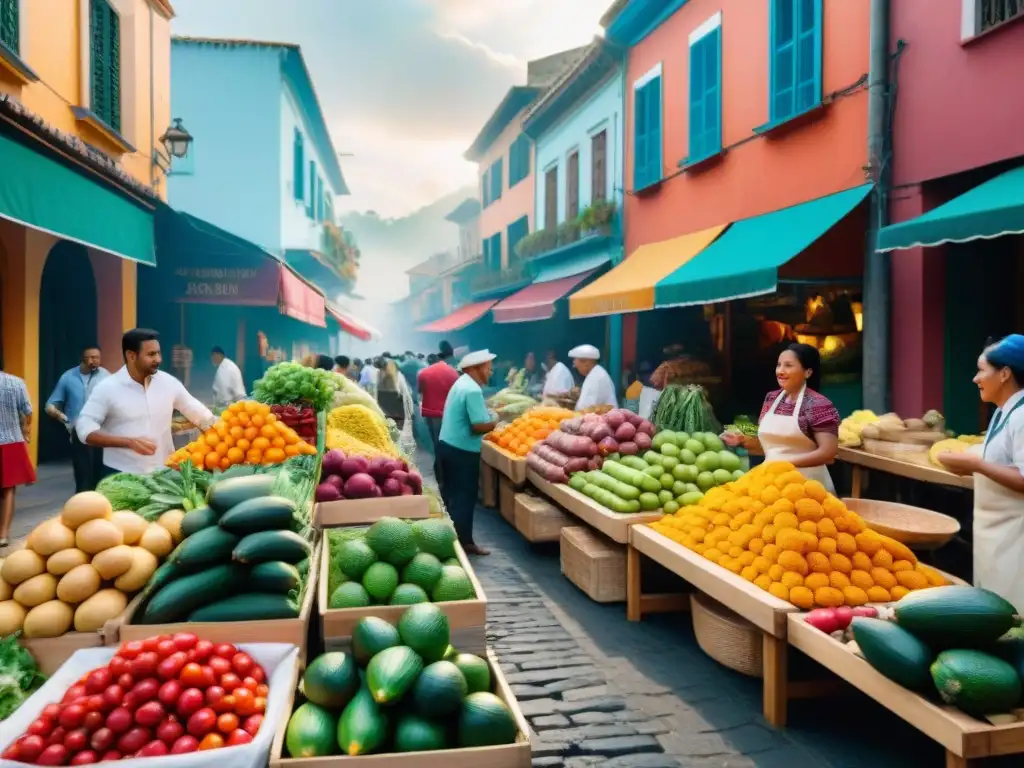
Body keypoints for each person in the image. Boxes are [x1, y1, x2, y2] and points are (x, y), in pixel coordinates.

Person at [938, 335, 1024, 608]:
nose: (976, 378)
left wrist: (977, 465)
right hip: (995, 536)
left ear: (1005, 374)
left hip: (1016, 537)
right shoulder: (1002, 412)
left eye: (981, 370)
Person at [77, 329, 216, 476]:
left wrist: (223, 428)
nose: (158, 359)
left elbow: (198, 413)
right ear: (131, 356)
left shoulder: (168, 383)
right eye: (151, 354)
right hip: (121, 475)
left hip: (164, 472)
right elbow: (84, 428)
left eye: (158, 353)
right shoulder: (108, 388)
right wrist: (127, 442)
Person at [721, 343, 839, 492]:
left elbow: (828, 453)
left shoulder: (819, 405)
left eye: (788, 365)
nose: (780, 371)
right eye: (778, 365)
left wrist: (783, 463)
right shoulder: (771, 398)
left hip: (809, 488)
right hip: (772, 484)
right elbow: (770, 447)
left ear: (808, 372)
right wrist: (742, 440)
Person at [439, 350, 498, 555]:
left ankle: (450, 542)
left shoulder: (461, 383)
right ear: (475, 369)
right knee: (464, 497)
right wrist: (496, 422)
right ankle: (463, 543)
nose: (490, 371)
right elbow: (478, 426)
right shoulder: (472, 390)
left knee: (453, 497)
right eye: (488, 367)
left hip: (448, 446)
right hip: (462, 451)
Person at [45, 345, 109, 493]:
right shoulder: (68, 377)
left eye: (97, 358)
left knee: (101, 475)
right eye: (90, 358)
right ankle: (82, 507)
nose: (94, 361)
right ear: (82, 358)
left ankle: (100, 506)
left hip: (102, 430)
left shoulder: (106, 376)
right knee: (83, 474)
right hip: (79, 431)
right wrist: (61, 417)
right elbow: (51, 404)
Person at [0, 351, 34, 549]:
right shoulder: (16, 382)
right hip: (11, 440)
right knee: (8, 488)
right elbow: (27, 410)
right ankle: (3, 534)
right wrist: (25, 429)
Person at [418, 344, 460, 488]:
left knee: (437, 445)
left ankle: (441, 478)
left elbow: (421, 392)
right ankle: (451, 476)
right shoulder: (453, 373)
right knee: (450, 444)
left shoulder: (423, 373)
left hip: (431, 414)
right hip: (450, 414)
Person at [571, 344, 618, 410]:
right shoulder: (596, 373)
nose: (575, 366)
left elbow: (586, 408)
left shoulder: (596, 377)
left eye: (577, 364)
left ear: (586, 362)